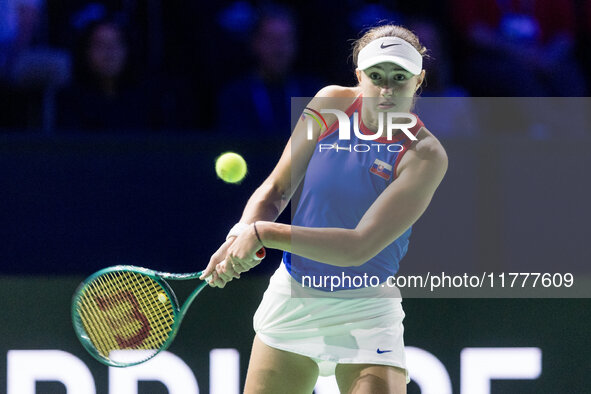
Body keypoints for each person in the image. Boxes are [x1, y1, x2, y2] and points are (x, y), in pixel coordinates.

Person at [201, 24, 448, 393]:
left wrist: (263, 233)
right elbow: (276, 189)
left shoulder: (425, 155)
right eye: (376, 76)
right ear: (358, 76)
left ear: (419, 80)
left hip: (366, 312)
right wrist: (240, 232)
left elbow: (358, 246)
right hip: (294, 300)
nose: (386, 89)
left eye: (400, 77)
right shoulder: (330, 104)